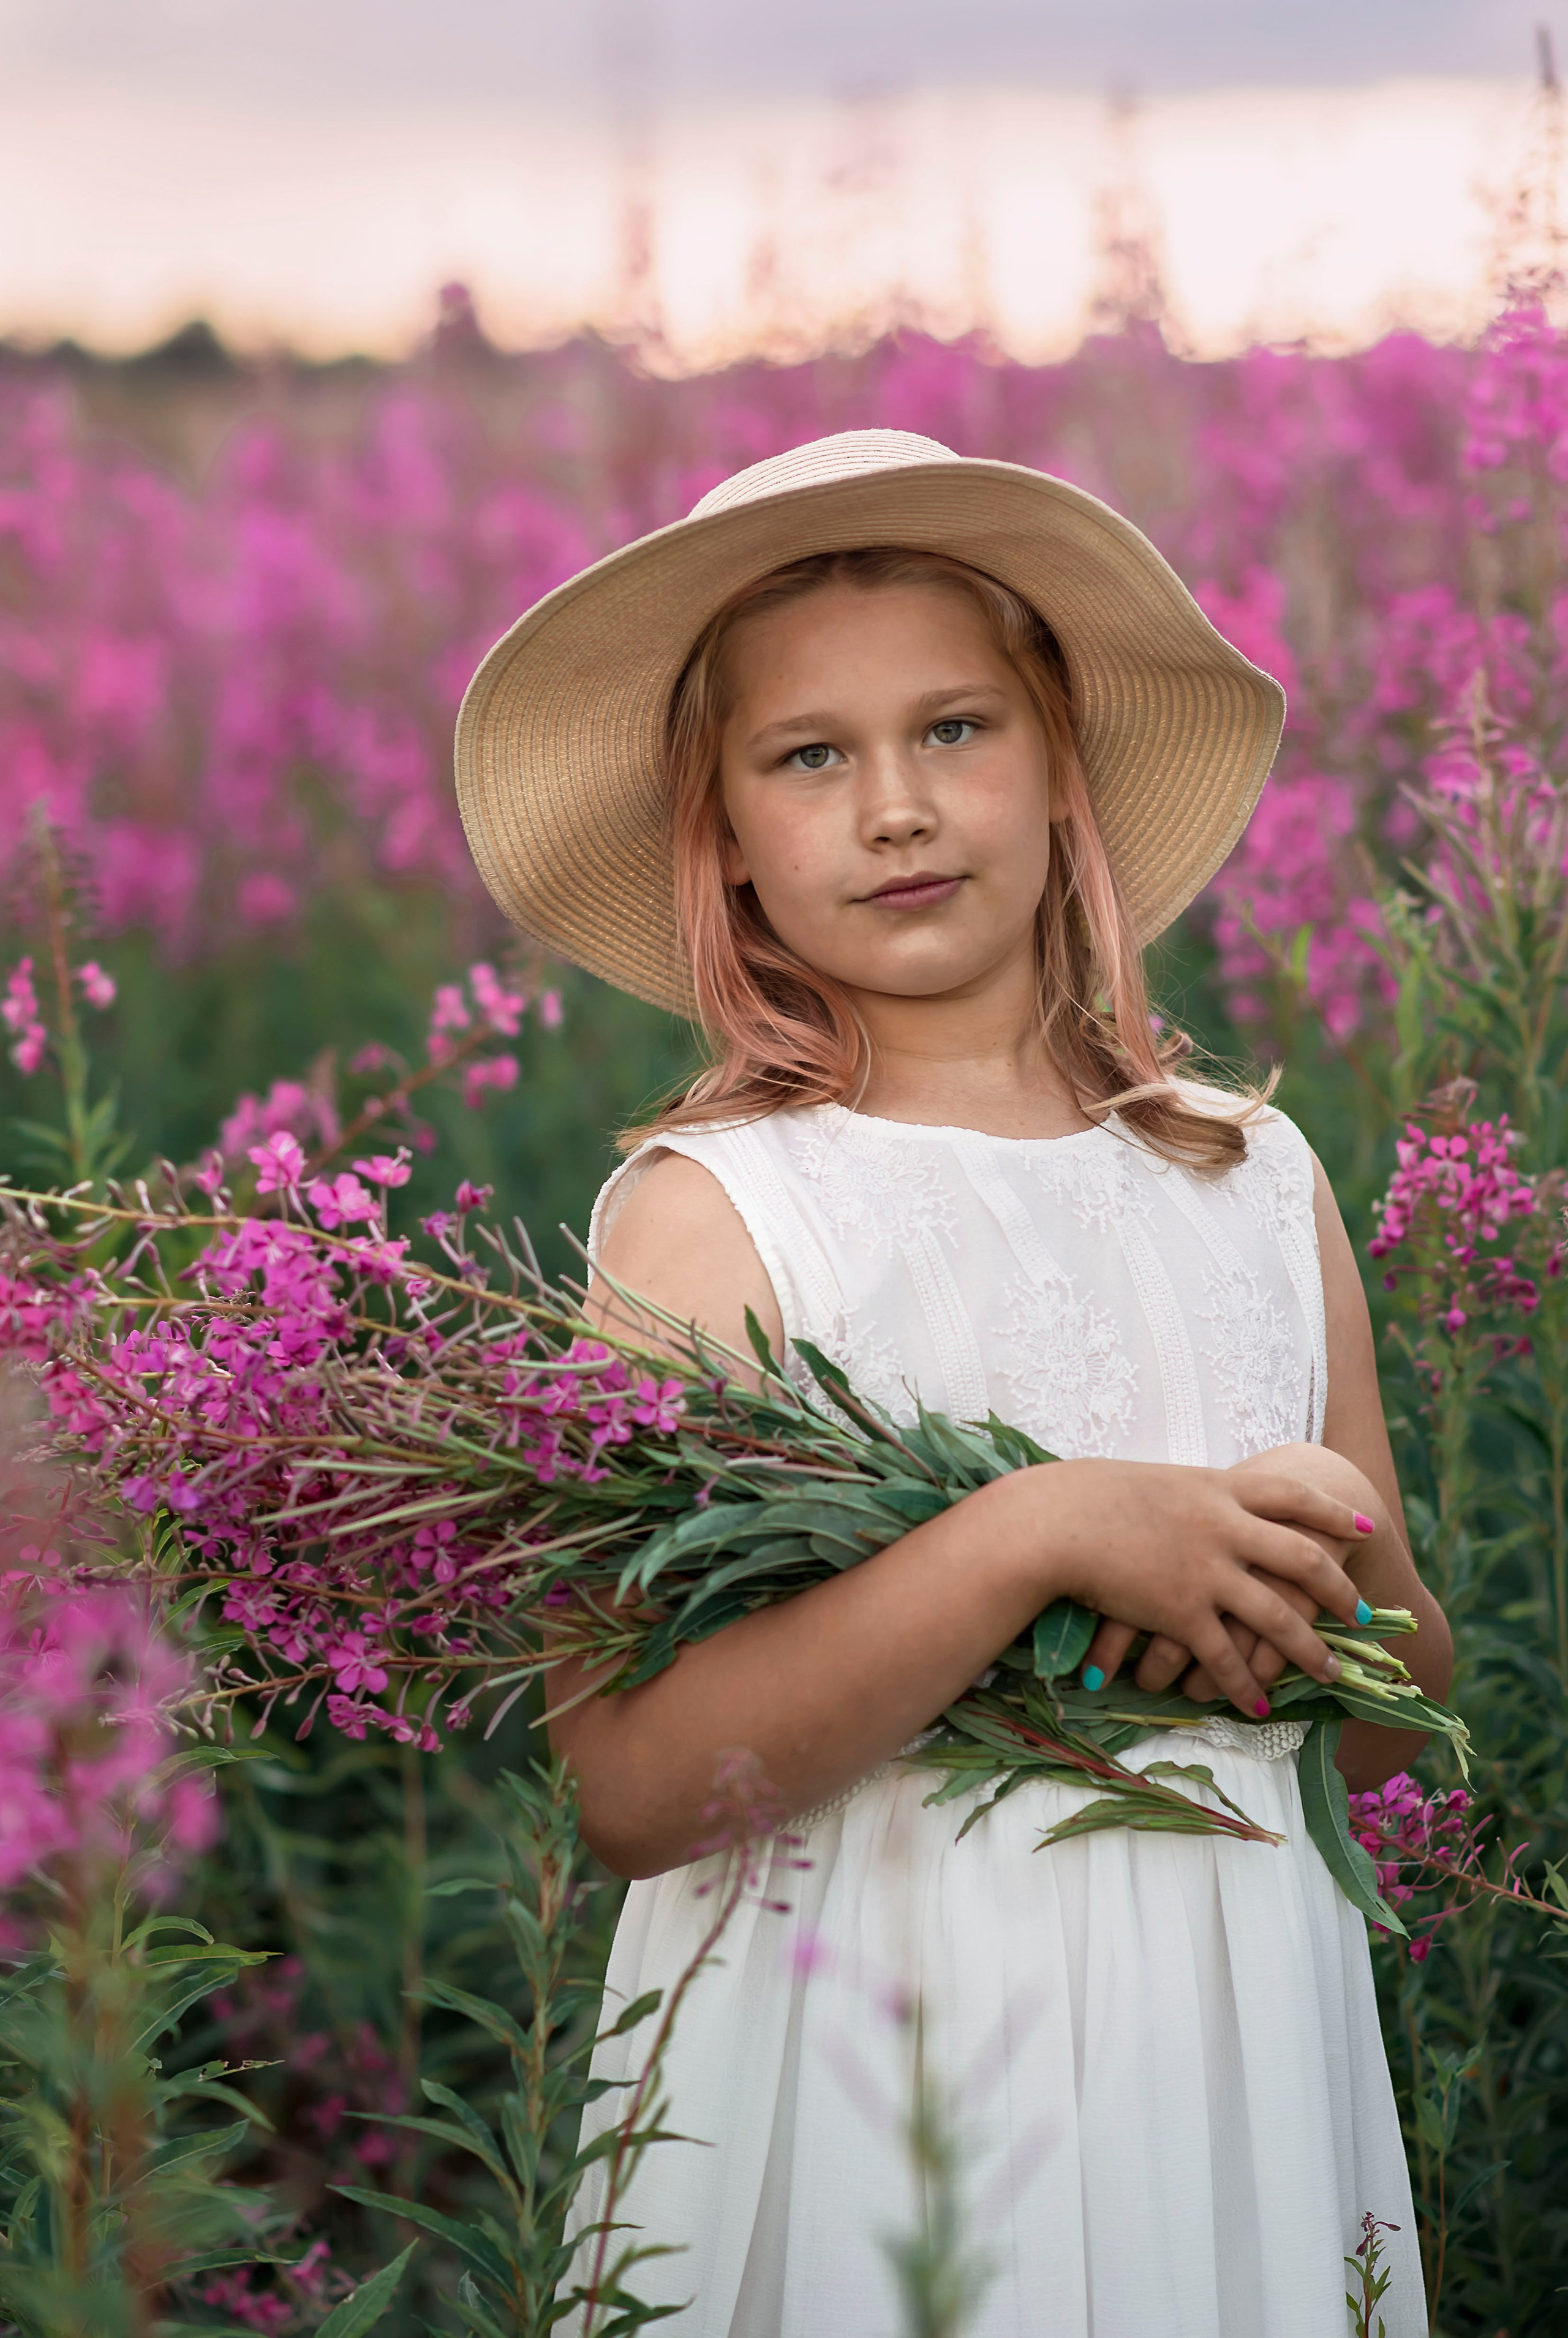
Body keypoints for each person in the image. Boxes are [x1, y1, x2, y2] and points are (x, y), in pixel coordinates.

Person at [455, 430, 1450, 2336]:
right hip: (879, 2078)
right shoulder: (714, 1216)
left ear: (1061, 768)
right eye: (809, 757)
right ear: (725, 834)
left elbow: (1401, 1722)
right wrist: (1041, 1535)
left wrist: (1322, 1585)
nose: (895, 806)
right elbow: (644, 1785)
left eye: (957, 730)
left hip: (1228, 2063)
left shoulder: (1254, 1179)